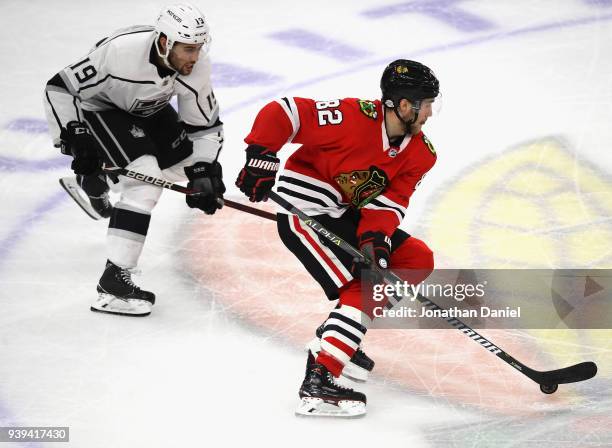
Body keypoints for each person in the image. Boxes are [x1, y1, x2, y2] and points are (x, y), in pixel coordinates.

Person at [236, 60, 439, 417]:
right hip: (305, 213)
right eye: (426, 103)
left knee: (415, 259)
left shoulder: (421, 153)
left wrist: (376, 239)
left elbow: (391, 203)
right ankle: (320, 379)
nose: (431, 112)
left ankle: (337, 336)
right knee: (364, 289)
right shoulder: (351, 117)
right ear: (404, 105)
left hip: (345, 214)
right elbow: (285, 113)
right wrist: (261, 155)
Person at [44, 3, 225, 317]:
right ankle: (113, 282)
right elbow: (59, 89)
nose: (194, 58)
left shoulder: (197, 66)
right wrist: (77, 138)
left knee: (183, 166)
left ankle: (96, 180)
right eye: (187, 49)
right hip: (98, 109)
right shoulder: (119, 53)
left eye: (198, 48)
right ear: (165, 42)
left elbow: (206, 127)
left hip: (148, 110)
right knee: (144, 185)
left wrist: (204, 171)